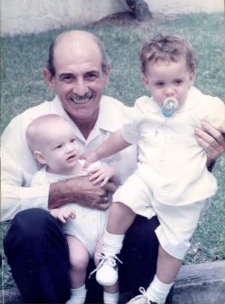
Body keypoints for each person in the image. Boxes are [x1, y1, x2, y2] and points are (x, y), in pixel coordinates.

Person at [1, 30, 225, 304]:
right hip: (61, 265)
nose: (81, 90)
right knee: (29, 225)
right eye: (68, 77)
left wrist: (208, 157)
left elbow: (167, 180)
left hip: (120, 263)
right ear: (49, 78)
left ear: (107, 73)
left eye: (91, 75)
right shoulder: (28, 127)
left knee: (151, 222)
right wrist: (62, 191)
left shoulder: (130, 118)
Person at [82, 34, 225, 304]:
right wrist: (96, 153)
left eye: (178, 82)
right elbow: (123, 136)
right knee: (123, 201)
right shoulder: (144, 109)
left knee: (173, 246)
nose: (170, 91)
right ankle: (109, 257)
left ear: (192, 76)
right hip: (148, 178)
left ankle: (154, 297)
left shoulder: (206, 107)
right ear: (146, 81)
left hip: (187, 190)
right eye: (160, 84)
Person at [26, 114, 119, 304]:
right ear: (41, 156)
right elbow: (37, 208)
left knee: (106, 260)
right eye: (59, 146)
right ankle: (77, 295)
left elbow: (113, 174)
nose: (70, 148)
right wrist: (55, 212)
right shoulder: (42, 180)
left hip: (104, 229)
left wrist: (109, 171)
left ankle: (111, 298)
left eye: (71, 141)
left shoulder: (89, 165)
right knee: (76, 260)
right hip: (75, 233)